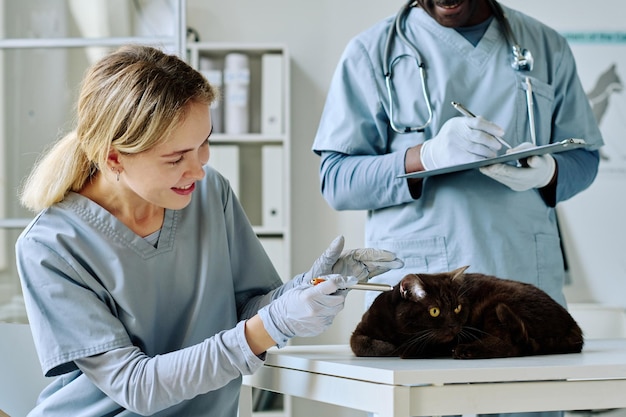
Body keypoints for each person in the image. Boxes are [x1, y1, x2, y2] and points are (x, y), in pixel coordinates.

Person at [15, 45, 403, 417]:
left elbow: (246, 312)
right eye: (176, 158)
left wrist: (307, 288)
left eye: (204, 143)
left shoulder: (208, 193)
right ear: (114, 157)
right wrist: (272, 324)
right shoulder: (50, 247)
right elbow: (135, 386)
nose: (199, 168)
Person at [312, 1, 603, 417]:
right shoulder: (371, 52)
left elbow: (585, 158)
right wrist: (424, 156)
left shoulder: (545, 46)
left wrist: (550, 170)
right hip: (419, 321)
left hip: (519, 303)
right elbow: (337, 180)